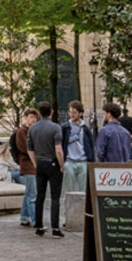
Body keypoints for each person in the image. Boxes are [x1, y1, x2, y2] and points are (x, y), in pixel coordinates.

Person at [27, 101, 65, 238]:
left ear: (39, 112)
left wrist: (35, 163)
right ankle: (55, 228)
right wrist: (61, 164)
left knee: (40, 196)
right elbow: (58, 149)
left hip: (40, 164)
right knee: (55, 197)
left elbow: (30, 149)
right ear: (51, 112)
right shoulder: (55, 128)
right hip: (53, 163)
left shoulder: (32, 128)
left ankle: (39, 226)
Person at [61, 101, 95, 200]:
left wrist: (91, 161)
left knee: (83, 191)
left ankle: (82, 211)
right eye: (70, 112)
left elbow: (90, 146)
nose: (71, 114)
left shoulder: (85, 129)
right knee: (69, 190)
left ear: (80, 113)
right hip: (69, 161)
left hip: (83, 161)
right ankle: (70, 212)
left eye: (74, 112)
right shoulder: (65, 127)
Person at [13, 109, 38, 227]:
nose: (34, 119)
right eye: (31, 117)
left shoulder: (33, 130)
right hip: (27, 164)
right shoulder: (22, 131)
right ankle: (34, 219)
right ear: (26, 117)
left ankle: (24, 217)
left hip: (32, 164)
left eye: (35, 117)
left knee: (28, 192)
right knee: (32, 194)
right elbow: (25, 148)